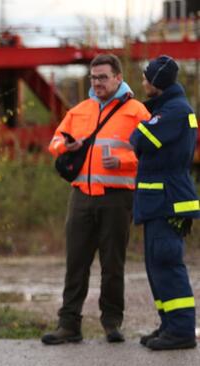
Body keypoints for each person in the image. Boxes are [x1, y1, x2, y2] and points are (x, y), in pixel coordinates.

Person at [41, 54, 150, 345]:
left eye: (103, 77)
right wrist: (66, 145)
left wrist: (124, 161)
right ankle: (68, 325)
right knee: (75, 262)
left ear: (117, 77)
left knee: (112, 264)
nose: (97, 82)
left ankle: (112, 323)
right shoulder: (79, 111)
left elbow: (153, 155)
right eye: (93, 78)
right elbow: (53, 143)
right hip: (81, 198)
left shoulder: (137, 112)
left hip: (117, 198)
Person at [129, 55, 199, 351]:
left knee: (166, 264)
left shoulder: (174, 111)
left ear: (157, 82)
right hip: (159, 201)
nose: (143, 82)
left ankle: (181, 330)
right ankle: (169, 324)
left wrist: (143, 122)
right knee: (156, 265)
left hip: (166, 200)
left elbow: (141, 139)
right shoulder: (168, 108)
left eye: (146, 78)